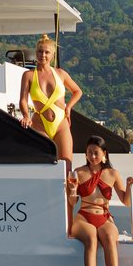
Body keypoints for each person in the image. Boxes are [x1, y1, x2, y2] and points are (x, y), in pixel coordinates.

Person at [67, 134, 133, 266]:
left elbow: (126, 202)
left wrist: (129, 186)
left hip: (104, 216)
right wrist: (72, 189)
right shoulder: (78, 173)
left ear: (104, 153)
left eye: (96, 153)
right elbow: (72, 202)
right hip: (84, 216)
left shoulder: (113, 174)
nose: (92, 156)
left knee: (110, 238)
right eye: (89, 152)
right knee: (91, 239)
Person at [18, 35, 82, 168]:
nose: (43, 55)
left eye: (47, 52)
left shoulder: (61, 74)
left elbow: (77, 91)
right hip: (39, 123)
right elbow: (23, 100)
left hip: (61, 125)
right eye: (40, 51)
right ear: (36, 53)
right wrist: (25, 115)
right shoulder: (28, 75)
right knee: (46, 165)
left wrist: (68, 107)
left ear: (52, 55)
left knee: (66, 166)